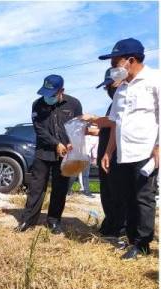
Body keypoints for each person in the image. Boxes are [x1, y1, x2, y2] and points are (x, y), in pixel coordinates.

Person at [86, 38, 159, 259]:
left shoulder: (155, 80)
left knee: (143, 198)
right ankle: (131, 239)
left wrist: (158, 147)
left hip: (146, 151)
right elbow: (116, 122)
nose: (113, 68)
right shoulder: (122, 89)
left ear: (131, 60)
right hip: (123, 152)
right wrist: (108, 151)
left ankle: (142, 244)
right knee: (125, 196)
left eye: (115, 62)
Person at [15, 75, 82, 234]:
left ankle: (54, 221)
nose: (48, 98)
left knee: (60, 189)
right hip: (43, 153)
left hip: (65, 154)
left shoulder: (74, 104)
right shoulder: (37, 105)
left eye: (52, 95)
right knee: (36, 188)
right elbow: (39, 129)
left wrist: (74, 141)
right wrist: (55, 143)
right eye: (45, 94)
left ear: (61, 91)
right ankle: (28, 220)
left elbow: (78, 126)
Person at [82, 69, 126, 239]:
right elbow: (106, 129)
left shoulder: (125, 101)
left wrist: (93, 118)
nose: (108, 89)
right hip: (104, 153)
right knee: (106, 191)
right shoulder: (113, 103)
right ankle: (110, 224)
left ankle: (120, 228)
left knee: (117, 192)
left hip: (115, 154)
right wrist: (89, 131)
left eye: (110, 85)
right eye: (106, 86)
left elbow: (114, 121)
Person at [68, 130, 97, 197]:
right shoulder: (81, 134)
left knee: (80, 175)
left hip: (84, 155)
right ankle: (86, 192)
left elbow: (94, 150)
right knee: (79, 175)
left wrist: (94, 158)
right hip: (80, 155)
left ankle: (69, 190)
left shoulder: (92, 137)